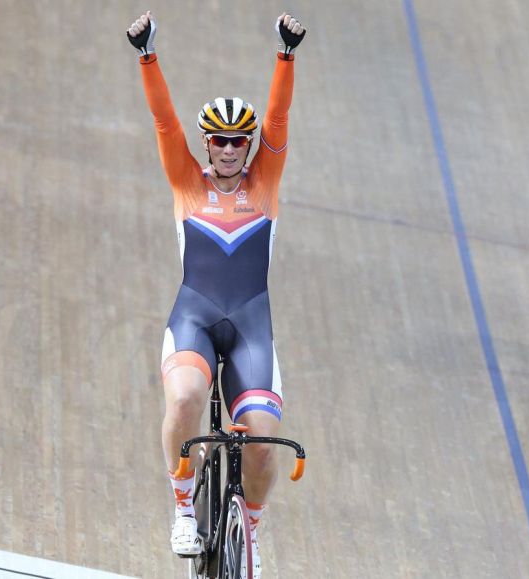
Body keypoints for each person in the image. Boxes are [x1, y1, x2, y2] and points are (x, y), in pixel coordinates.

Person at [126, 10, 306, 576]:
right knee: (183, 400)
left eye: (238, 141)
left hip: (252, 323)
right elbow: (163, 123)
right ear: (208, 143)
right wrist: (147, 56)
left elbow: (279, 117)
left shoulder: (265, 183)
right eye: (220, 141)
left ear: (247, 145)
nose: (229, 149)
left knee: (261, 443)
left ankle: (247, 526)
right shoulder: (186, 181)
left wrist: (285, 55)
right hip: (196, 318)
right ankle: (183, 504)